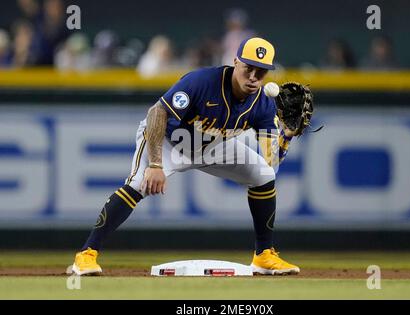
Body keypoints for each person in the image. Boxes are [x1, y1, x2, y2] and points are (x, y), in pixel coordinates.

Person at [71, 37, 301, 276]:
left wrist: (286, 138)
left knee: (263, 176)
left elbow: (270, 163)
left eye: (261, 71)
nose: (253, 76)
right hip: (169, 141)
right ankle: (86, 254)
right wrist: (156, 164)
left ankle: (264, 255)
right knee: (139, 183)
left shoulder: (263, 104)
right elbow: (157, 113)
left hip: (214, 146)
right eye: (248, 68)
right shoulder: (202, 82)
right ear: (235, 62)